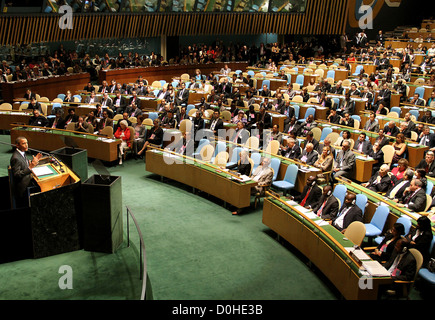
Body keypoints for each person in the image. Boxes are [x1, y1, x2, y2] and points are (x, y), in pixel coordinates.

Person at [10, 137, 42, 207]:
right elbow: (17, 174)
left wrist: (33, 162)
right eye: (23, 143)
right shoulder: (15, 158)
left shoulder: (22, 153)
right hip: (24, 188)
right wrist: (30, 167)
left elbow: (24, 165)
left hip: (28, 181)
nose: (26, 145)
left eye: (26, 143)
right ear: (17, 145)